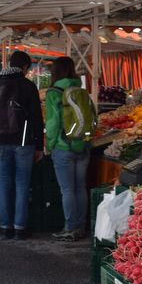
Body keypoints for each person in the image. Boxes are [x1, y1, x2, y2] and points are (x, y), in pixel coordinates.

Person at [0, 50, 44, 240]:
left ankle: (5, 226)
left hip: (0, 142)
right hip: (24, 143)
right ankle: (20, 227)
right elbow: (36, 118)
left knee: (4, 183)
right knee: (21, 184)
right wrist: (39, 146)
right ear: (25, 67)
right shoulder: (27, 86)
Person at [45, 57, 90, 242]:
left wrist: (50, 144)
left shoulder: (54, 92)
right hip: (83, 144)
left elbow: (53, 122)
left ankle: (70, 228)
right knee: (80, 187)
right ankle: (80, 226)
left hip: (63, 147)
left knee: (67, 190)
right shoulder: (81, 90)